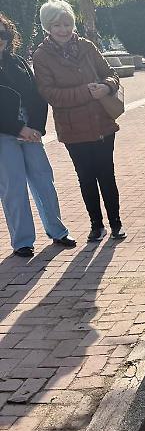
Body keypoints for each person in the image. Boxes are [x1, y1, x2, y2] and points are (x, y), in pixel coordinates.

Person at [33, 0, 125, 243]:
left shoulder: (87, 46)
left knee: (107, 174)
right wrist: (85, 91)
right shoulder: (41, 56)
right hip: (73, 128)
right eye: (56, 25)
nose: (63, 30)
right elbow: (49, 93)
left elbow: (111, 74)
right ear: (47, 27)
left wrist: (106, 87)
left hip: (101, 121)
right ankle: (96, 224)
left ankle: (116, 223)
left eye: (67, 24)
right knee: (85, 176)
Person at [0, 13, 75, 257]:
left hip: (30, 130)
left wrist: (37, 128)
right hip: (4, 133)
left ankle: (57, 231)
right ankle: (22, 241)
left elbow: (37, 95)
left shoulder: (19, 62)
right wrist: (17, 128)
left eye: (4, 34)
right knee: (14, 186)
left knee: (43, 179)